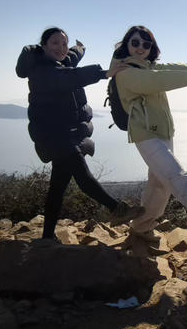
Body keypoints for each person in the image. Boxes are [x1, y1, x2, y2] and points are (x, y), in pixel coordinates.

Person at [15, 27, 143, 240]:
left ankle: (47, 236)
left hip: (65, 134)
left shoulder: (60, 61)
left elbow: (71, 57)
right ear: (44, 46)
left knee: (57, 187)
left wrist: (79, 48)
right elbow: (71, 77)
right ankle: (117, 209)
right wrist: (104, 73)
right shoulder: (42, 71)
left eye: (64, 43)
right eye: (55, 43)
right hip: (55, 135)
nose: (61, 48)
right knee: (83, 176)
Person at [110, 25, 187, 239]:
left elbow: (175, 68)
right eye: (135, 42)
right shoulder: (124, 72)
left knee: (159, 185)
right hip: (144, 133)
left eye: (146, 44)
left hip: (164, 131)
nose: (140, 47)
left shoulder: (148, 66)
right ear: (126, 44)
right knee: (174, 172)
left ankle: (141, 227)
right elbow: (158, 80)